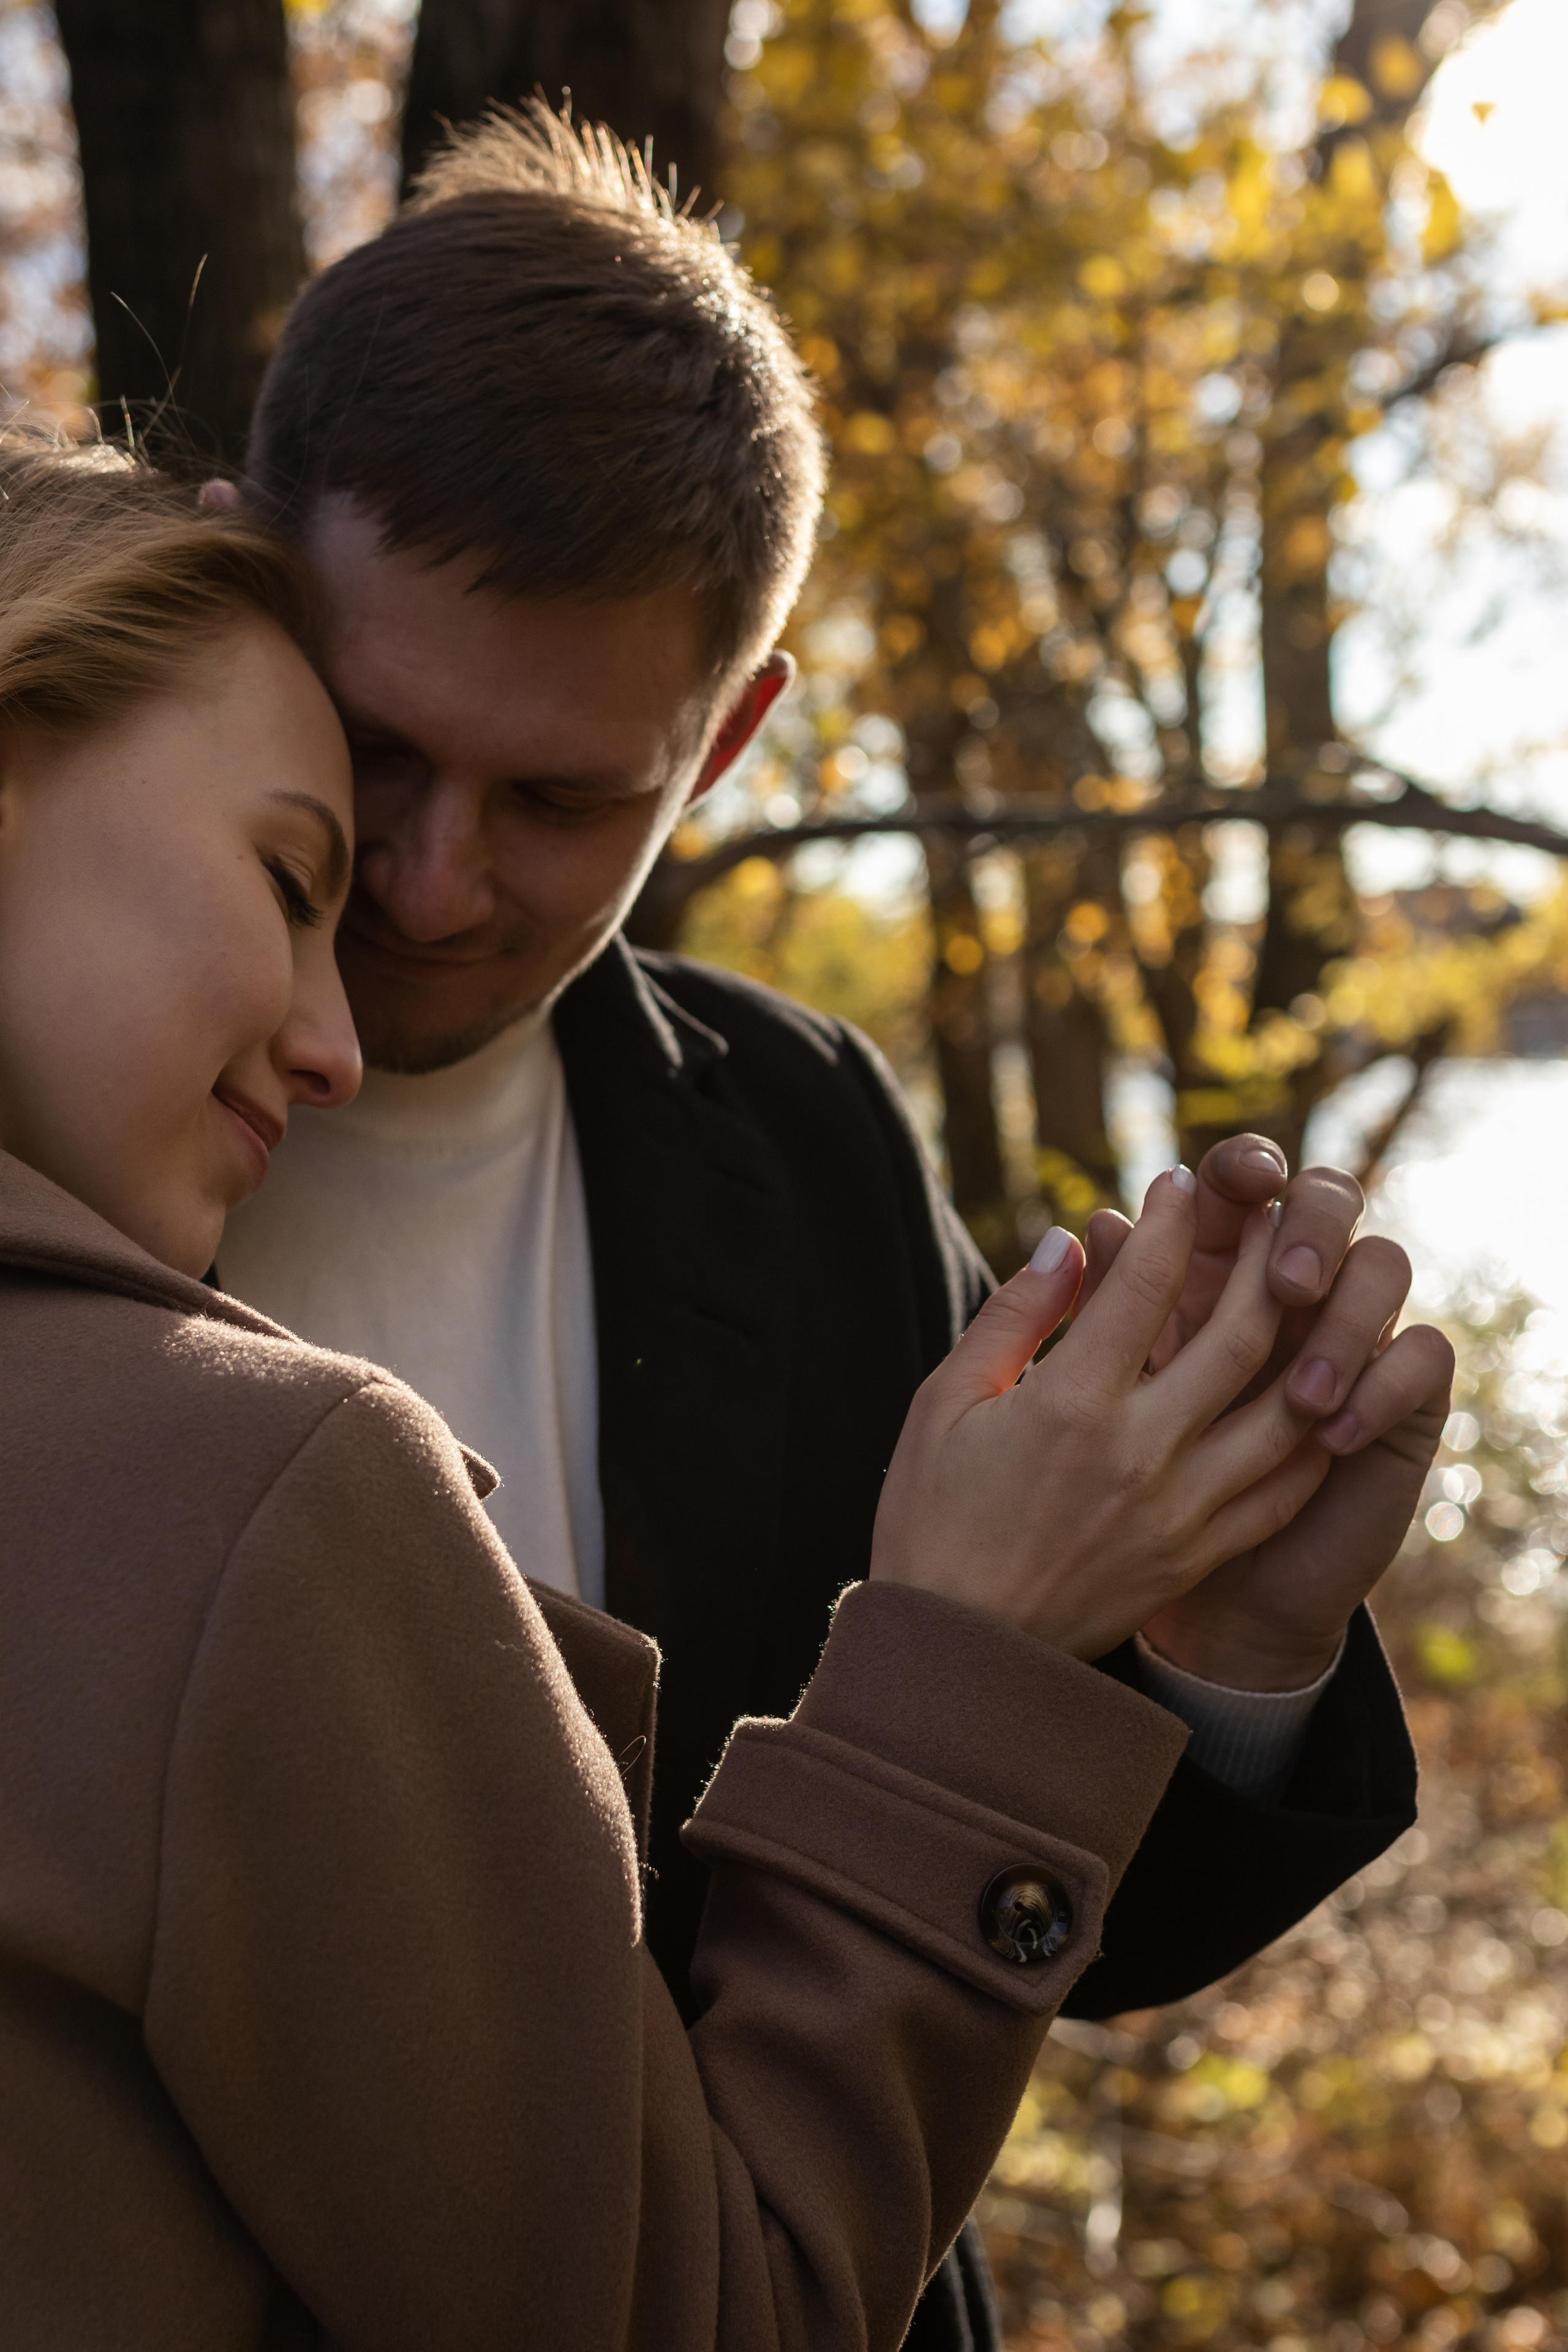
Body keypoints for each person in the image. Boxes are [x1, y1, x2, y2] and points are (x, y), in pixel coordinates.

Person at [208, 107, 1452, 2346]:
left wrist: (1224, 1655)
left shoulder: (801, 1139)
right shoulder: (40, 1110)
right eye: (378, 748)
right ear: (243, 578)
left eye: (564, 797)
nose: (427, 881)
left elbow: (1025, 1932)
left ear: (727, 743)